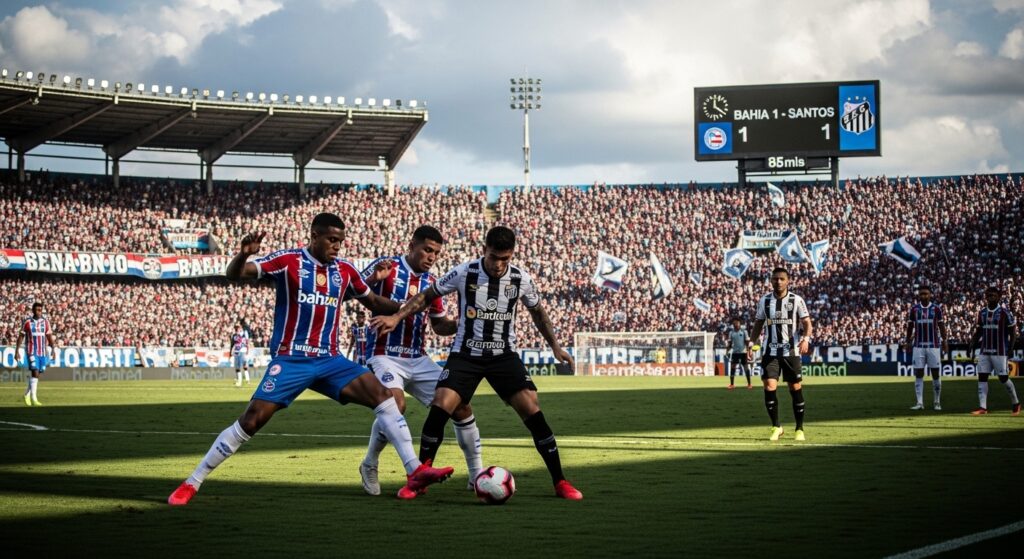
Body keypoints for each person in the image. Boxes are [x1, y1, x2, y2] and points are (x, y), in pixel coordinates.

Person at [167, 213, 454, 506]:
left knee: (385, 398)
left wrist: (413, 306)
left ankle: (414, 470)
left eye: (340, 241)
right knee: (251, 420)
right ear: (314, 236)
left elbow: (374, 301)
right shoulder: (289, 261)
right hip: (292, 359)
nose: (337, 246)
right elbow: (234, 274)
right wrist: (242, 255)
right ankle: (192, 482)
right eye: (331, 240)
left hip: (330, 360)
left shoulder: (345, 270)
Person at [372, 226, 584, 500]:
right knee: (440, 406)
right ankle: (418, 480)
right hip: (466, 354)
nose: (499, 265)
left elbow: (538, 312)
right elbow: (427, 296)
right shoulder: (465, 272)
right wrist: (397, 317)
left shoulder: (521, 279)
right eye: (495, 257)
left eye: (505, 259)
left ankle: (560, 482)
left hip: (503, 356)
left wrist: (555, 346)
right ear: (484, 250)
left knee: (532, 411)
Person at [357, 225, 483, 496]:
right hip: (384, 354)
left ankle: (476, 476)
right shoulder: (387, 268)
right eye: (427, 250)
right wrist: (371, 278)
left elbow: (439, 326)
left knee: (460, 405)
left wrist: (463, 322)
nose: (431, 257)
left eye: (436, 253)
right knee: (395, 403)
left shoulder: (432, 283)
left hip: (417, 357)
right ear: (412, 245)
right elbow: (353, 288)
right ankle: (370, 463)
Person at [749, 267, 812, 441]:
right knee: (769, 386)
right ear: (771, 280)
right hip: (770, 352)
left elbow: (807, 322)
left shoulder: (796, 300)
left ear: (788, 280)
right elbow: (758, 323)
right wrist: (751, 342)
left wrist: (806, 339)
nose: (778, 281)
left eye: (782, 279)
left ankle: (799, 429)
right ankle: (776, 426)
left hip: (791, 352)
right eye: (775, 279)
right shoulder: (765, 300)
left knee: (795, 388)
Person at [968, 287, 1020, 416]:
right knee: (982, 378)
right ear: (986, 297)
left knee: (1003, 378)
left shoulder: (1004, 312)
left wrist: (1011, 348)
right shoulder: (982, 312)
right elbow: (979, 331)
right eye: (989, 295)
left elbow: (1013, 332)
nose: (991, 297)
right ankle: (983, 408)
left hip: (1000, 352)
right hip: (984, 351)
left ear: (999, 297)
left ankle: (1016, 403)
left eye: (993, 295)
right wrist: (972, 345)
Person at [903, 285, 947, 411]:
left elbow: (941, 326)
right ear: (919, 295)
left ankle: (937, 402)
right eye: (921, 294)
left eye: (926, 294)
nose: (924, 296)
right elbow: (910, 327)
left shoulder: (936, 309)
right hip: (918, 346)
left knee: (935, 374)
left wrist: (945, 341)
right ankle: (920, 403)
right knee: (919, 374)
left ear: (930, 295)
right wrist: (907, 342)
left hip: (933, 346)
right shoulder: (914, 309)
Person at [15, 302, 56, 406]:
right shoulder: (27, 322)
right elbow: (21, 337)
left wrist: (53, 349)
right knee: (35, 372)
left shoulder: (45, 322)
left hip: (42, 352)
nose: (39, 312)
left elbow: (49, 336)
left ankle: (26, 394)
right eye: (37, 310)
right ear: (33, 310)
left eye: (40, 310)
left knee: (38, 374)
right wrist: (17, 351)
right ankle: (34, 398)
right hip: (31, 351)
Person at [727, 318, 752, 390]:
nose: (735, 325)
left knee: (746, 368)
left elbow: (747, 342)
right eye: (734, 323)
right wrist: (727, 351)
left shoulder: (744, 331)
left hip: (743, 352)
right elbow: (729, 343)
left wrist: (749, 351)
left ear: (739, 324)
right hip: (735, 353)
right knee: (732, 367)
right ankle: (732, 384)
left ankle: (749, 384)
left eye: (736, 323)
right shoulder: (731, 333)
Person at [230, 322, 251, 387]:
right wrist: (231, 352)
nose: (237, 329)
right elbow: (233, 344)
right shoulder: (234, 335)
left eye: (238, 327)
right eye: (236, 328)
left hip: (242, 351)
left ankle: (245, 380)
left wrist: (247, 350)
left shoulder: (244, 333)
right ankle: (240, 381)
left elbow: (246, 342)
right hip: (237, 352)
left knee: (244, 366)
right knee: (238, 367)